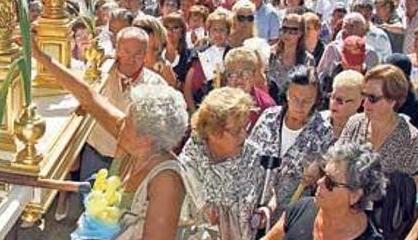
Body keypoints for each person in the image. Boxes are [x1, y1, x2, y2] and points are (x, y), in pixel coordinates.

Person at [32, 40, 201, 240]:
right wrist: (40, 56)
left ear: (145, 138)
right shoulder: (135, 144)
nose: (119, 123)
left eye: (126, 122)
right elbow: (88, 97)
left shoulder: (166, 181)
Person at [80, 27, 167, 181]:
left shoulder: (157, 86)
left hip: (131, 163)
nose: (130, 58)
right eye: (126, 51)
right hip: (95, 154)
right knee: (87, 202)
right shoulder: (98, 74)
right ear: (117, 49)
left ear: (146, 54)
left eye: (138, 53)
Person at [247, 66, 332, 221]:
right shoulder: (269, 117)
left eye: (307, 101)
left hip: (289, 217)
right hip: (253, 209)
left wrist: (317, 174)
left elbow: (324, 179)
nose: (299, 106)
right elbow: (248, 156)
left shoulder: (324, 132)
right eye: (294, 98)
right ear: (286, 93)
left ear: (316, 100)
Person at [179, 87, 263, 239]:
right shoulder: (189, 166)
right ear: (213, 132)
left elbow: (267, 195)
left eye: (246, 127)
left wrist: (266, 210)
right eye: (237, 131)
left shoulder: (253, 155)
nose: (244, 135)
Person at [262, 142, 385, 240]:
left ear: (355, 195)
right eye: (322, 174)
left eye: (330, 182)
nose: (319, 182)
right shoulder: (301, 209)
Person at [338, 64, 418, 187]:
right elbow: (336, 165)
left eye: (372, 98)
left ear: (392, 100)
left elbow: (410, 191)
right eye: (364, 95)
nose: (364, 104)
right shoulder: (354, 123)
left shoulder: (410, 138)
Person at [183, 10, 231, 112]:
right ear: (208, 32)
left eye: (222, 30)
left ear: (228, 32)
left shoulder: (232, 55)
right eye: (214, 30)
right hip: (199, 108)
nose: (218, 34)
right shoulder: (198, 54)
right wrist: (193, 113)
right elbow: (187, 87)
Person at [220, 47, 276, 128]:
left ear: (253, 76)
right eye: (233, 74)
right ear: (226, 77)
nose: (239, 79)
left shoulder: (267, 106)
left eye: (245, 73)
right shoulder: (218, 104)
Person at [266, 14, 315, 103]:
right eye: (284, 29)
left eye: (293, 31)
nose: (287, 34)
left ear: (300, 33)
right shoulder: (270, 54)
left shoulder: (307, 59)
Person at [322, 70, 364, 139]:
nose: (333, 103)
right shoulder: (317, 121)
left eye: (339, 100)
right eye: (332, 96)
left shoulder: (364, 131)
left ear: (357, 102)